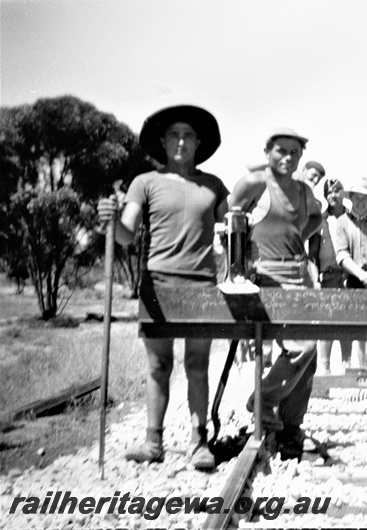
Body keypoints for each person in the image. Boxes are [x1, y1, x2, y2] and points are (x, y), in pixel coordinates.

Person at [97, 105, 228, 471]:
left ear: (199, 142)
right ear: (163, 142)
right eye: (174, 134)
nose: (181, 141)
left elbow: (237, 226)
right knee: (159, 365)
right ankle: (153, 441)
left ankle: (199, 442)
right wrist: (110, 221)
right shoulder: (144, 182)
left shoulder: (213, 185)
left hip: (203, 286)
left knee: (198, 364)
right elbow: (125, 235)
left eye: (188, 135)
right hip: (158, 285)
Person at [230, 127, 323, 460]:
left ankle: (291, 427)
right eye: (281, 151)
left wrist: (298, 235)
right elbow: (229, 223)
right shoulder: (254, 184)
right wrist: (244, 264)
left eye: (294, 153)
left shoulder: (302, 189)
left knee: (309, 358)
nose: (287, 157)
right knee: (302, 346)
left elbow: (316, 217)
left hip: (299, 273)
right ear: (268, 150)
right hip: (268, 274)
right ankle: (263, 400)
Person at [333, 177, 367, 368]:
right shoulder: (342, 222)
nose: (360, 202)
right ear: (351, 198)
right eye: (357, 197)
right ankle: (363, 367)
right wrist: (362, 274)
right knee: (360, 325)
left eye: (364, 198)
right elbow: (341, 255)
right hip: (355, 278)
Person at [307, 177, 353, 373]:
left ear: (343, 193)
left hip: (349, 276)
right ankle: (324, 368)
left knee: (348, 322)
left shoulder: (353, 218)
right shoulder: (320, 220)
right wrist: (315, 278)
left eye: (337, 190)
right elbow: (312, 255)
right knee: (327, 323)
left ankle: (347, 365)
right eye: (329, 192)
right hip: (329, 276)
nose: (334, 195)